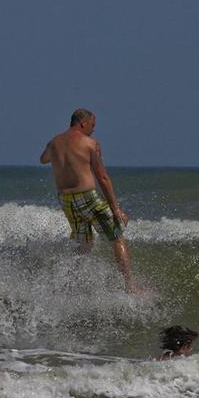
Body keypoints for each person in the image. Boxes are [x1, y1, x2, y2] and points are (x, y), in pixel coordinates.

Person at [40, 108, 136, 292]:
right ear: (83, 123)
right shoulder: (91, 143)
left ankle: (67, 283)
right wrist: (116, 209)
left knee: (85, 243)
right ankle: (130, 288)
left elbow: (43, 159)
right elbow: (103, 177)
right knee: (117, 238)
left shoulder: (54, 142)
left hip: (66, 200)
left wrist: (63, 155)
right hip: (87, 198)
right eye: (92, 125)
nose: (93, 129)